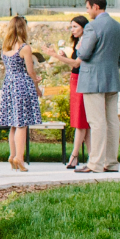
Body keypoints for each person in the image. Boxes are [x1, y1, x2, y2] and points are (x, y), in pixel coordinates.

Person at [73, 0, 120, 173]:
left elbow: (84, 54)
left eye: (88, 8)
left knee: (96, 122)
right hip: (112, 77)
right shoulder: (118, 27)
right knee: (112, 121)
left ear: (96, 7)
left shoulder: (92, 27)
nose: (87, 11)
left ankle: (94, 163)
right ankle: (111, 162)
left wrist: (78, 48)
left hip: (92, 79)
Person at [38, 14, 93, 168]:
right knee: (81, 122)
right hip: (75, 81)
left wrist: (56, 56)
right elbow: (74, 67)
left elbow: (77, 64)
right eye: (71, 27)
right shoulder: (78, 44)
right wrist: (63, 57)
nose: (72, 30)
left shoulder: (85, 44)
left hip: (82, 83)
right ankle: (92, 157)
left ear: (83, 27)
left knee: (81, 122)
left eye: (75, 26)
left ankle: (75, 155)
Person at [0, 17, 46, 171]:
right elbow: (30, 71)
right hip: (22, 85)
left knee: (13, 124)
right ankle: (20, 158)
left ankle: (12, 155)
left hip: (9, 85)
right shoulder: (25, 48)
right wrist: (37, 85)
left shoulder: (5, 47)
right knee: (22, 124)